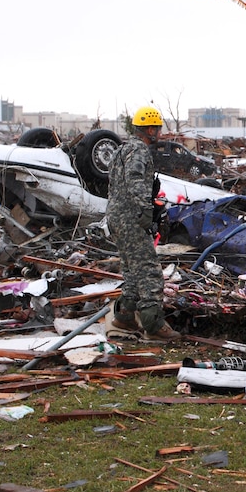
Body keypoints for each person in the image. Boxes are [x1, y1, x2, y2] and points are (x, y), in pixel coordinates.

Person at [106, 106, 180, 342]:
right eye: (157, 128)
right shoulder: (138, 151)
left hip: (116, 216)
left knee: (131, 268)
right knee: (148, 271)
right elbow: (135, 181)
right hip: (130, 218)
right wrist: (145, 210)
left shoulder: (121, 150)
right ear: (149, 129)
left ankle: (125, 317)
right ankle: (153, 324)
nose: (158, 133)